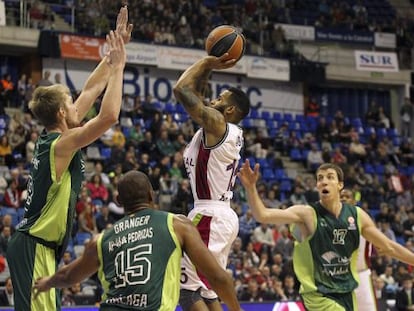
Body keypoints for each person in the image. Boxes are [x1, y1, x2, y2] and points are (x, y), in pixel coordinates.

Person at [6, 7, 132, 311]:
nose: (77, 105)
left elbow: (91, 89)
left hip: (40, 247)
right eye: (70, 103)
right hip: (33, 246)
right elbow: (109, 116)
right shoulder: (61, 143)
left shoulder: (59, 135)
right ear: (62, 113)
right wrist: (118, 69)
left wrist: (114, 53)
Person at [32, 170, 241, 311]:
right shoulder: (178, 225)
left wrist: (46, 283)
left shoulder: (100, 240)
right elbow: (218, 278)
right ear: (152, 195)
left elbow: (68, 276)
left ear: (118, 201)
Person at [238, 160, 414, 311]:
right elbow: (263, 215)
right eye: (320, 178)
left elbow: (389, 247)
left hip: (346, 291)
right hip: (318, 294)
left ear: (340, 185)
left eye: (330, 177)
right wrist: (251, 188)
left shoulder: (357, 215)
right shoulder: (307, 214)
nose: (323, 181)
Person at [173, 54, 250, 310]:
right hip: (220, 215)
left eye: (220, 99)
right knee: (206, 292)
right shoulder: (222, 129)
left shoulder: (217, 125)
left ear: (229, 111)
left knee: (185, 290)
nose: (212, 101)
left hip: (209, 215)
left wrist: (206, 62)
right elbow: (197, 92)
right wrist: (209, 68)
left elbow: (182, 89)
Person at [340, 188, 377, 311]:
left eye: (347, 196)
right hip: (340, 277)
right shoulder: (328, 221)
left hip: (362, 275)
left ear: (354, 201)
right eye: (341, 196)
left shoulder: (363, 219)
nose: (344, 199)